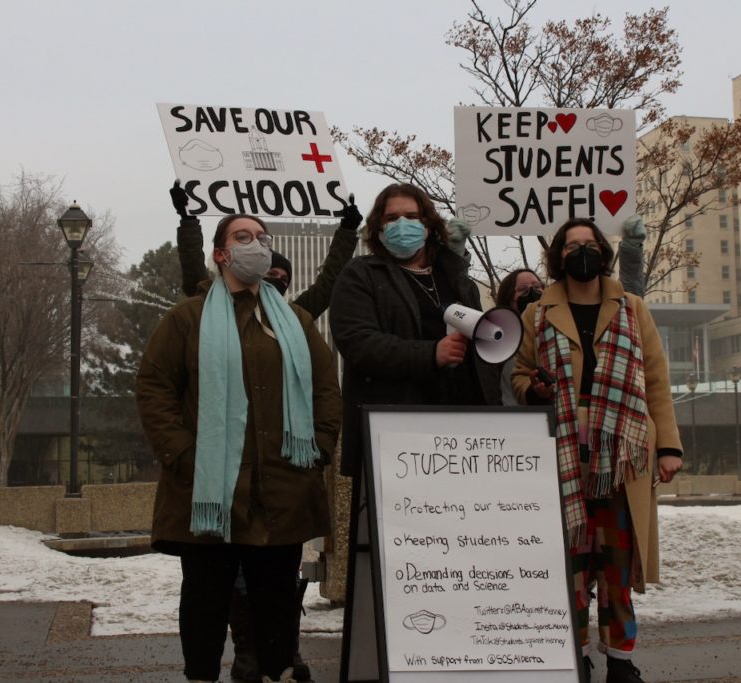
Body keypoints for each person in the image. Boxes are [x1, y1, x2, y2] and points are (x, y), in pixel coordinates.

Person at [136, 213, 342, 683]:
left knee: (275, 600)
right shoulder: (187, 317)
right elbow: (154, 387)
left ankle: (275, 672)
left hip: (283, 485)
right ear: (220, 254)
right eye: (242, 237)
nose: (256, 244)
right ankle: (202, 675)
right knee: (206, 598)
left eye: (261, 238)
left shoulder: (294, 319)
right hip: (210, 485)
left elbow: (326, 388)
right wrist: (183, 454)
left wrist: (321, 446)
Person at [512, 217, 683, 683]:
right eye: (572, 245)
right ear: (558, 255)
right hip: (562, 451)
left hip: (623, 452)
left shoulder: (632, 307)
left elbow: (656, 380)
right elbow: (520, 373)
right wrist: (535, 390)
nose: (581, 252)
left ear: (603, 253)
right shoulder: (538, 313)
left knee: (616, 561)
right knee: (570, 560)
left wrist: (668, 446)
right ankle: (576, 653)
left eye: (589, 244)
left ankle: (621, 660)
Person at [329, 182, 500, 477]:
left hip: (464, 428)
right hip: (398, 432)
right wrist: (431, 354)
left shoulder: (457, 279)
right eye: (392, 218)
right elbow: (358, 342)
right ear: (378, 229)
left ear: (428, 225)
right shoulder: (361, 274)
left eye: (412, 216)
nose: (402, 224)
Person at [170, 180, 362, 316]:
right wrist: (188, 219)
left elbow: (327, 286)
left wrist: (347, 230)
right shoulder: (207, 307)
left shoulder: (291, 317)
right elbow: (193, 268)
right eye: (272, 274)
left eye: (284, 279)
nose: (279, 281)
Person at [494, 269, 545, 405]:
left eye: (536, 287)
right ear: (509, 299)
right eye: (522, 289)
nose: (532, 292)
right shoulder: (499, 347)